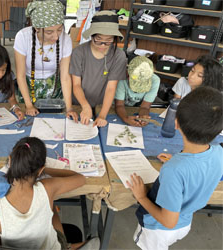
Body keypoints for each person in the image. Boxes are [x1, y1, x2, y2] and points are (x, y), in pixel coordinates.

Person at [126, 86, 223, 250]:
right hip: (185, 223)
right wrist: (178, 161)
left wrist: (141, 197)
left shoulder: (174, 170)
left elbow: (168, 221)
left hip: (157, 229)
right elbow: (199, 169)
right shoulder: (219, 152)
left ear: (176, 123)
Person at [0, 137, 100, 250]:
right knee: (51, 206)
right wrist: (46, 170)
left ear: (10, 161)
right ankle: (67, 247)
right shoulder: (47, 188)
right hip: (49, 247)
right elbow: (80, 179)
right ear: (40, 170)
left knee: (50, 206)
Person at [14, 0, 78, 121]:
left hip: (54, 86)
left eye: (59, 29)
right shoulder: (23, 37)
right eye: (49, 32)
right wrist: (28, 105)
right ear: (37, 28)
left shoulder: (66, 39)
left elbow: (65, 77)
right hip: (29, 87)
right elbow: (20, 75)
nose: (56, 36)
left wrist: (69, 108)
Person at [70, 10, 127, 127]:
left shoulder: (119, 56)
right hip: (78, 103)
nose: (103, 45)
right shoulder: (78, 52)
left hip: (101, 105)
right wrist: (85, 106)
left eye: (108, 41)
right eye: (99, 40)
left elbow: (111, 88)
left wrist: (102, 115)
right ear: (92, 36)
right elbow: (76, 85)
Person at [114, 56, 160, 127]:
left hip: (134, 107)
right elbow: (119, 105)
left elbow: (145, 107)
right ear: (128, 74)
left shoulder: (155, 80)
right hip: (116, 106)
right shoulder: (121, 78)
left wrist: (143, 117)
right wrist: (125, 119)